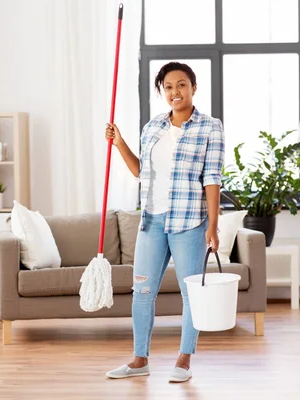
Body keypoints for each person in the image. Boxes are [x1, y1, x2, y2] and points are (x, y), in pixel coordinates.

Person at [104, 62, 225, 383]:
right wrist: (119, 144)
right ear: (163, 91)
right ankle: (139, 358)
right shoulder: (152, 127)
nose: (176, 92)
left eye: (182, 85)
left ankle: (184, 359)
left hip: (189, 222)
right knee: (142, 291)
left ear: (194, 88)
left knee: (191, 295)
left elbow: (212, 178)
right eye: (169, 86)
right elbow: (140, 172)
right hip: (152, 222)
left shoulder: (210, 127)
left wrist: (213, 225)